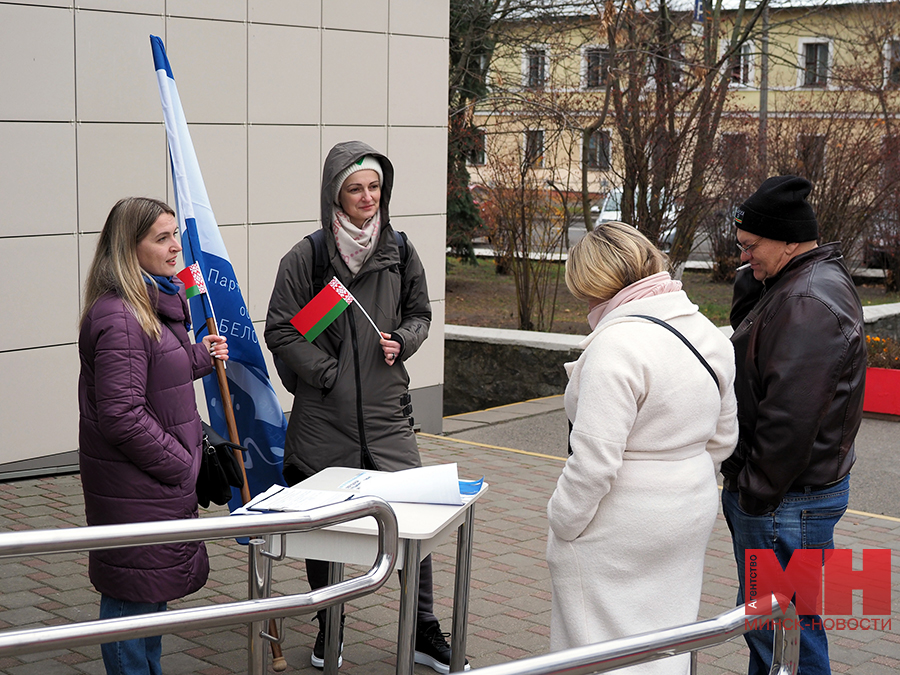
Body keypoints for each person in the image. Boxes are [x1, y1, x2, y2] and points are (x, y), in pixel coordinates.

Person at [265, 141, 464, 673]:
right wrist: (327, 373)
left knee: (414, 525)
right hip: (322, 421)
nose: (367, 197)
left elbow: (421, 313)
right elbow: (280, 330)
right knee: (327, 531)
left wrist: (404, 337)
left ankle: (423, 630)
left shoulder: (399, 248)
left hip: (386, 419)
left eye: (374, 187)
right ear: (336, 193)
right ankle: (329, 626)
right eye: (355, 188)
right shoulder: (306, 256)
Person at [546, 222, 738, 675]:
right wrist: (676, 472)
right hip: (688, 507)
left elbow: (593, 462)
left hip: (618, 523)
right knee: (666, 640)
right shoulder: (706, 332)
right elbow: (725, 437)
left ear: (595, 285)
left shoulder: (617, 344)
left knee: (599, 649)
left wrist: (562, 520)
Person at [722, 175, 865, 675]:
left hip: (785, 502)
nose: (744, 256)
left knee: (786, 634)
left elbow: (791, 417)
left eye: (751, 246)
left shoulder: (806, 301)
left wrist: (752, 492)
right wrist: (752, 279)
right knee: (778, 627)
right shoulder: (791, 284)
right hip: (788, 497)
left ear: (787, 240)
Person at [78, 197, 228, 675]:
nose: (175, 248)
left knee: (149, 598)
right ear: (129, 247)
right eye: (161, 238)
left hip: (150, 483)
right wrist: (181, 464)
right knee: (130, 603)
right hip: (139, 484)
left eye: (174, 236)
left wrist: (199, 356)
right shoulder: (122, 314)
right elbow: (121, 415)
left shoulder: (150, 303)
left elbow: (152, 371)